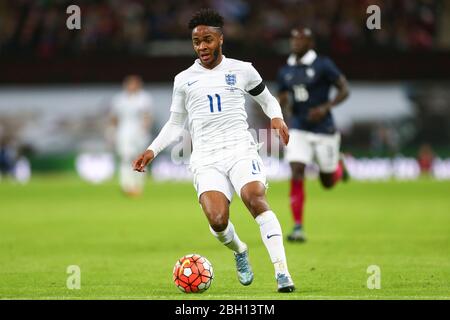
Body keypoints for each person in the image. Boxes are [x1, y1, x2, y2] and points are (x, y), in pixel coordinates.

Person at [133, 9, 295, 292]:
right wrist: (151, 150)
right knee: (218, 221)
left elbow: (268, 100)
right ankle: (240, 250)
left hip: (240, 149)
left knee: (255, 198)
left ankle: (282, 273)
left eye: (207, 39)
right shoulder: (184, 79)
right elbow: (175, 124)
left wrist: (276, 117)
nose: (202, 47)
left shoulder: (242, 69)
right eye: (196, 42)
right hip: (206, 159)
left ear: (220, 39)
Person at [277, 27, 350, 242]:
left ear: (311, 43)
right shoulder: (285, 70)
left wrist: (325, 108)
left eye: (301, 39)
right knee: (296, 170)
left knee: (327, 183)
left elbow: (344, 89)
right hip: (298, 126)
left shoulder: (323, 64)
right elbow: (282, 93)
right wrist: (283, 104)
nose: (295, 43)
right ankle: (298, 226)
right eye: (293, 38)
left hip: (324, 129)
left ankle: (337, 166)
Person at [110, 75, 153, 197]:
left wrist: (144, 131)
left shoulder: (144, 98)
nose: (132, 86)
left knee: (140, 159)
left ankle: (138, 186)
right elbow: (114, 117)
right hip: (123, 132)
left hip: (139, 132)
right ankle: (126, 185)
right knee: (125, 158)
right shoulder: (119, 99)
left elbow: (147, 116)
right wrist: (112, 131)